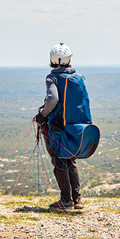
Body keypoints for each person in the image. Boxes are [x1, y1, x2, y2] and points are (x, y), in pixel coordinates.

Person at [34, 43, 91, 210]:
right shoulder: (78, 78)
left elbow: (52, 100)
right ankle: (77, 199)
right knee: (70, 160)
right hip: (74, 126)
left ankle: (66, 200)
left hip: (57, 126)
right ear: (69, 59)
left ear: (52, 59)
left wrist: (42, 115)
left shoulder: (52, 78)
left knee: (59, 161)